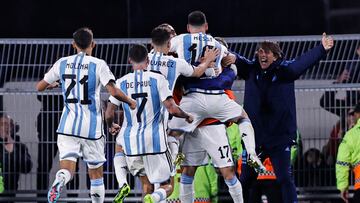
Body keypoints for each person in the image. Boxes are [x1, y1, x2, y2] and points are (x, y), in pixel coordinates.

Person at [108, 26, 218, 203]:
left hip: (135, 133)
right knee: (167, 183)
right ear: (169, 42)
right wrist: (208, 61)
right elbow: (197, 73)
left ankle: (123, 182)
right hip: (162, 129)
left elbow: (113, 106)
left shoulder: (142, 61)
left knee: (142, 177)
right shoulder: (176, 63)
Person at [222, 33, 334, 203]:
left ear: (276, 56)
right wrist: (223, 51)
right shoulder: (251, 70)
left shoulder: (285, 71)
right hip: (255, 138)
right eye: (260, 51)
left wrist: (321, 49)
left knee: (285, 179)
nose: (263, 54)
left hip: (279, 139)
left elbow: (301, 63)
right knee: (245, 180)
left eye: (267, 52)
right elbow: (238, 60)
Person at [36, 27, 136, 203]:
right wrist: (129, 101)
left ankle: (60, 180)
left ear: (73, 44)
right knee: (96, 174)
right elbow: (113, 90)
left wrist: (55, 84)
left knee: (67, 168)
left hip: (67, 126)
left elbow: (39, 87)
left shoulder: (62, 63)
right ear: (93, 44)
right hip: (92, 128)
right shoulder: (98, 64)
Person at [105, 44, 194, 203]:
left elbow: (109, 113)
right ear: (148, 60)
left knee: (146, 185)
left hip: (132, 144)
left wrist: (111, 125)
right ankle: (153, 198)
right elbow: (172, 109)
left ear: (129, 60)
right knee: (167, 186)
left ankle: (129, 186)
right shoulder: (158, 79)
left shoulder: (121, 82)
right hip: (155, 142)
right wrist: (187, 116)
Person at [0, 114, 32, 203]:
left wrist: (13, 151)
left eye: (9, 124)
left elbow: (27, 168)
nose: (6, 127)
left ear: (13, 128)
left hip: (10, 194)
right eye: (3, 124)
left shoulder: (19, 146)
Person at [336, 103, 360, 203]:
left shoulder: (351, 135)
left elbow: (342, 162)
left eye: (353, 114)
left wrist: (343, 186)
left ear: (358, 114)